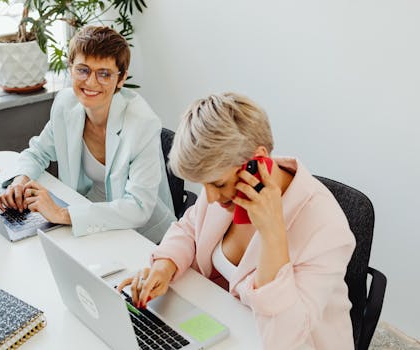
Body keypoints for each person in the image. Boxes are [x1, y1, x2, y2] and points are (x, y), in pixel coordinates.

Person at [118, 92, 356, 349]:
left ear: (257, 160)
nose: (209, 197)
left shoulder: (325, 226)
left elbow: (285, 337)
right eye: (204, 184)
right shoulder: (224, 188)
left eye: (218, 183)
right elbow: (190, 228)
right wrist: (164, 266)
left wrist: (272, 234)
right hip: (224, 327)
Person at [0, 26, 175, 243]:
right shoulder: (65, 104)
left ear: (121, 79)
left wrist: (62, 214)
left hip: (142, 237)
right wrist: (19, 182)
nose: (91, 82)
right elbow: (37, 153)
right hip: (89, 214)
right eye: (83, 70)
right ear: (70, 69)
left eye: (104, 74)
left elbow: (138, 208)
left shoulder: (142, 124)